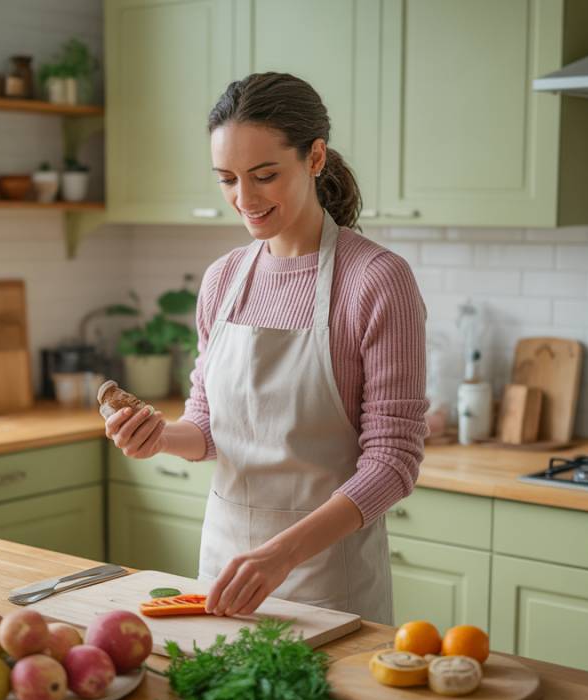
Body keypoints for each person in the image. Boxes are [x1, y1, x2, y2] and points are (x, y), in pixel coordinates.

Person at [104, 72, 427, 624]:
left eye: (264, 175)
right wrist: (159, 438)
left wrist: (283, 554)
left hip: (329, 581)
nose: (244, 199)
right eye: (226, 179)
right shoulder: (223, 279)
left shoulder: (377, 280)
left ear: (315, 157)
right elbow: (209, 429)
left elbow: (394, 461)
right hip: (224, 572)